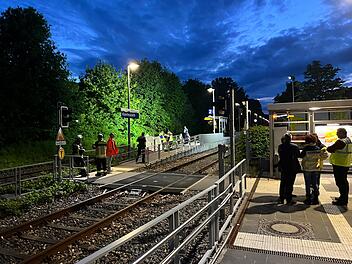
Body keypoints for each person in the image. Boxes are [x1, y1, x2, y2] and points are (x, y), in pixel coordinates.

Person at [300, 134, 328, 205]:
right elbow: (324, 156)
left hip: (307, 168)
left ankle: (308, 199)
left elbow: (301, 155)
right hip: (316, 168)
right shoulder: (317, 148)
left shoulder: (306, 148)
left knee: (308, 183)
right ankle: (316, 198)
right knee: (315, 183)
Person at [327, 128, 352, 206]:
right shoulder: (348, 140)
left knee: (340, 182)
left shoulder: (341, 142)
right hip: (345, 164)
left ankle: (343, 200)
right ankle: (343, 197)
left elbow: (330, 149)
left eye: (338, 133)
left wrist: (328, 148)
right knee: (344, 182)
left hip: (339, 164)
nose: (337, 134)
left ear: (342, 133)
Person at [277, 133, 301, 205]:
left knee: (283, 183)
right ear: (290, 139)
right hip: (292, 167)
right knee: (290, 183)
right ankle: (288, 199)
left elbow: (280, 155)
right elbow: (298, 155)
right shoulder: (294, 147)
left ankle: (281, 198)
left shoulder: (280, 146)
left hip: (283, 167)